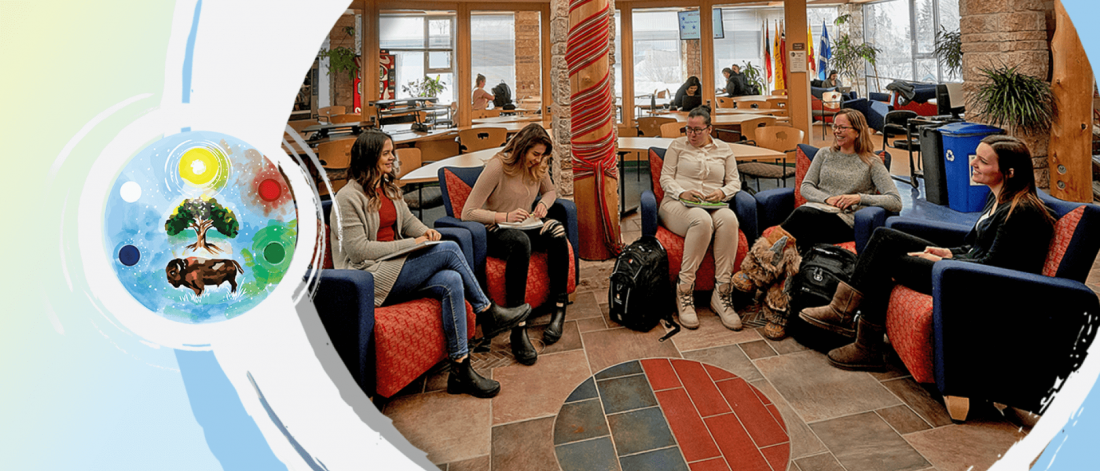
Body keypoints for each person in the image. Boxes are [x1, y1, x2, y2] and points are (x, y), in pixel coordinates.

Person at [800, 135, 1056, 371]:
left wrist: (946, 261)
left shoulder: (1021, 211)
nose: (973, 163)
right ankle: (846, 316)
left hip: (978, 284)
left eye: (983, 161)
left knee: (887, 261)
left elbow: (993, 265)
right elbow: (973, 246)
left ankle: (861, 338)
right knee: (884, 236)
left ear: (1008, 172)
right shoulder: (997, 197)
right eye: (975, 156)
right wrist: (947, 252)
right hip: (964, 268)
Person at [330, 130, 532, 398]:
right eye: (387, 153)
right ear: (370, 157)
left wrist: (426, 232)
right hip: (369, 278)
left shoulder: (388, 187)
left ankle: (461, 369)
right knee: (449, 250)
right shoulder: (347, 198)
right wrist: (411, 245)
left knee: (452, 280)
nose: (393, 157)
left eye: (392, 152)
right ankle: (487, 311)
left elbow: (408, 222)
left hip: (395, 267)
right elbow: (358, 252)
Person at [764, 109, 901, 340]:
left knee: (801, 217)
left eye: (842, 127)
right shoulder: (824, 155)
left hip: (844, 220)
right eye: (835, 127)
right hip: (816, 213)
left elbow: (895, 201)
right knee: (802, 240)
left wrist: (858, 198)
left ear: (857, 131)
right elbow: (806, 187)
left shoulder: (871, 162)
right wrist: (826, 198)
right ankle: (786, 303)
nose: (837, 132)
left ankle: (760, 273)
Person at [460, 123, 570, 365]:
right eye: (535, 154)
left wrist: (544, 205)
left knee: (557, 231)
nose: (539, 160)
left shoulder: (539, 165)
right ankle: (518, 327)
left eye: (543, 155)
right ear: (522, 148)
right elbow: (467, 212)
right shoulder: (498, 166)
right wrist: (504, 217)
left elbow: (551, 192)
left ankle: (559, 308)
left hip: (524, 226)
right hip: (496, 230)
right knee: (520, 243)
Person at [659, 106, 743, 331]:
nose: (692, 134)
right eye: (688, 129)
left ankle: (722, 292)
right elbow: (665, 178)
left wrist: (723, 193)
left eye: (697, 130)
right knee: (701, 221)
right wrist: (681, 192)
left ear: (709, 129)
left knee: (729, 219)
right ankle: (684, 290)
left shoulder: (724, 149)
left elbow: (735, 182)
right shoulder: (677, 146)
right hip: (676, 203)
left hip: (712, 203)